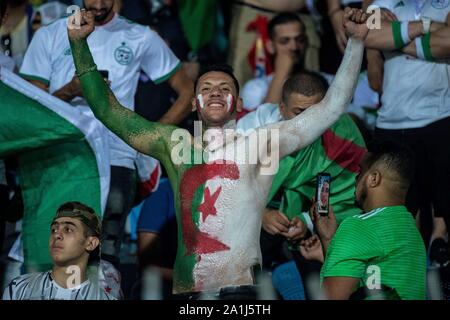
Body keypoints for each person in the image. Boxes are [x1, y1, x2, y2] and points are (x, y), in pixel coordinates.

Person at [67, 7, 370, 297]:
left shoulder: (259, 143)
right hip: (186, 292)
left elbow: (331, 108)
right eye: (206, 88)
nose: (215, 92)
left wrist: (356, 42)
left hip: (241, 291)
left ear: (238, 105)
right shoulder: (175, 145)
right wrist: (79, 45)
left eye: (225, 89)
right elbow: (110, 112)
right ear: (194, 104)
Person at [19, 0, 194, 266]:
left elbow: (186, 90)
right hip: (64, 155)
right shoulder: (50, 34)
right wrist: (71, 90)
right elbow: (31, 107)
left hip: (117, 155)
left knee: (106, 247)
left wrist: (150, 136)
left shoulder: (140, 36)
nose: (98, 4)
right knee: (58, 246)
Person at [237, 71, 366, 299]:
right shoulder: (252, 129)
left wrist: (307, 221)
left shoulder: (344, 137)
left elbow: (343, 195)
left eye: (315, 113)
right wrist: (261, 213)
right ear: (281, 108)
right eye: (298, 113)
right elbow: (225, 186)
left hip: (311, 232)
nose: (308, 124)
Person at [363, 0, 450, 263]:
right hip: (391, 122)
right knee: (400, 214)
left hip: (440, 117)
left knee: (444, 208)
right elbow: (368, 35)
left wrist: (395, 35)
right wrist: (425, 28)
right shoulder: (381, 4)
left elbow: (448, 42)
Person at [300, 140, 427, 300]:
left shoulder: (359, 225)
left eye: (360, 171)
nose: (355, 178)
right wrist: (328, 239)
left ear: (374, 178)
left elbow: (331, 297)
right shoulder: (411, 231)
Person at [2, 201, 116, 300]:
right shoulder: (19, 288)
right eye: (53, 229)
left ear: (91, 243)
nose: (57, 235)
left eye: (68, 229)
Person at [241, 12, 309, 110]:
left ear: (306, 42)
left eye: (300, 39)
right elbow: (264, 122)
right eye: (284, 41)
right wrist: (281, 74)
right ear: (271, 46)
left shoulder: (327, 80)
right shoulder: (255, 88)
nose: (294, 47)